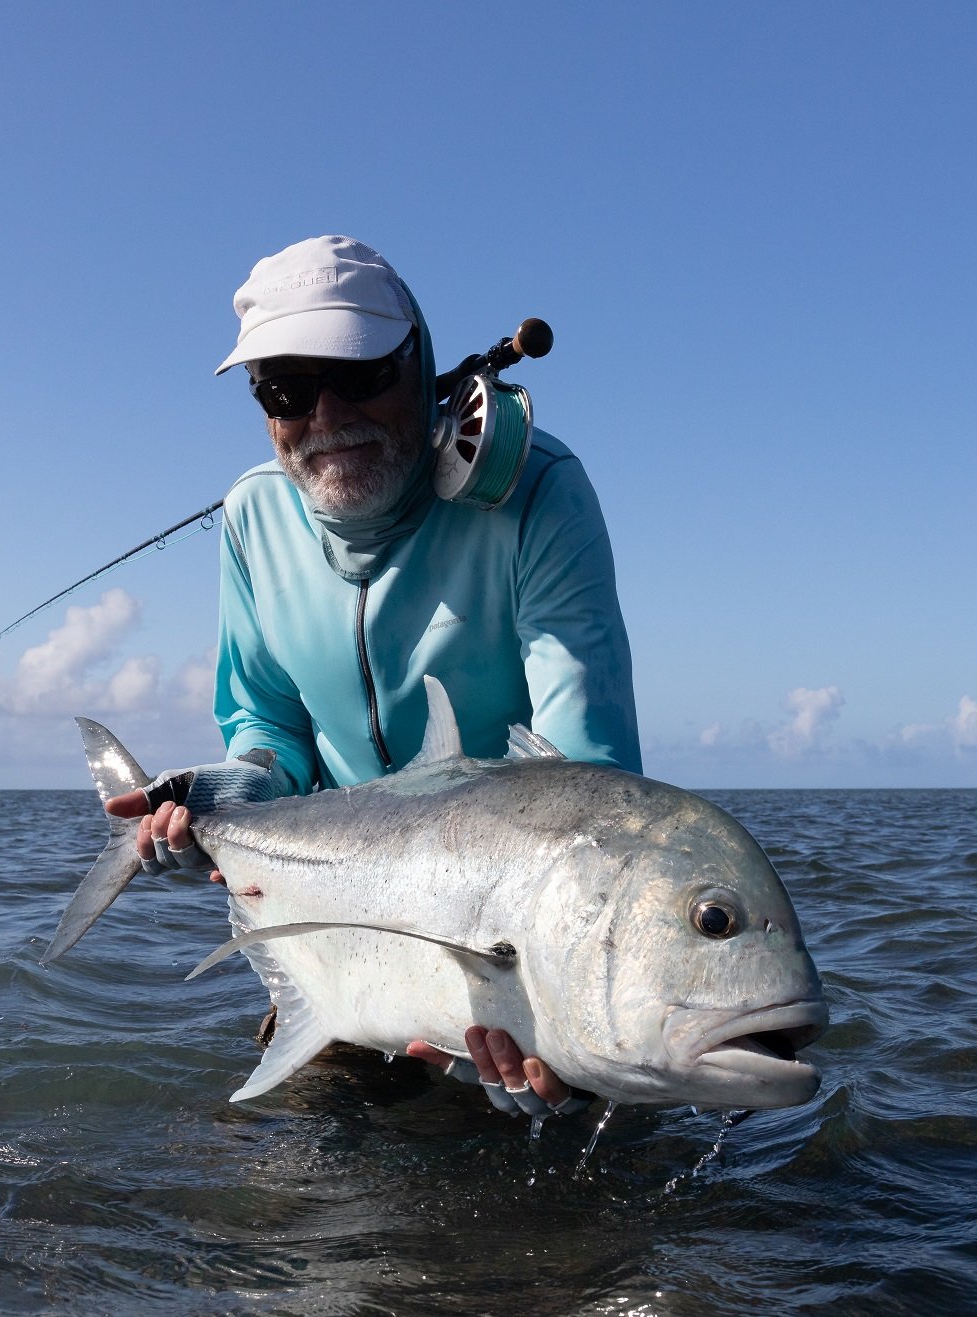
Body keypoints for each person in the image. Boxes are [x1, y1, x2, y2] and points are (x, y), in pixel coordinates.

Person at [104, 235, 639, 1118]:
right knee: (292, 1223)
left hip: (514, 947)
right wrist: (213, 795)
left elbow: (591, 776)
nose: (324, 414)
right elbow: (269, 729)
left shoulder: (540, 495)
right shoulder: (252, 518)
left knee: (570, 1243)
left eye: (356, 374)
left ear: (420, 362)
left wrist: (566, 993)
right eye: (284, 388)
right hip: (340, 950)